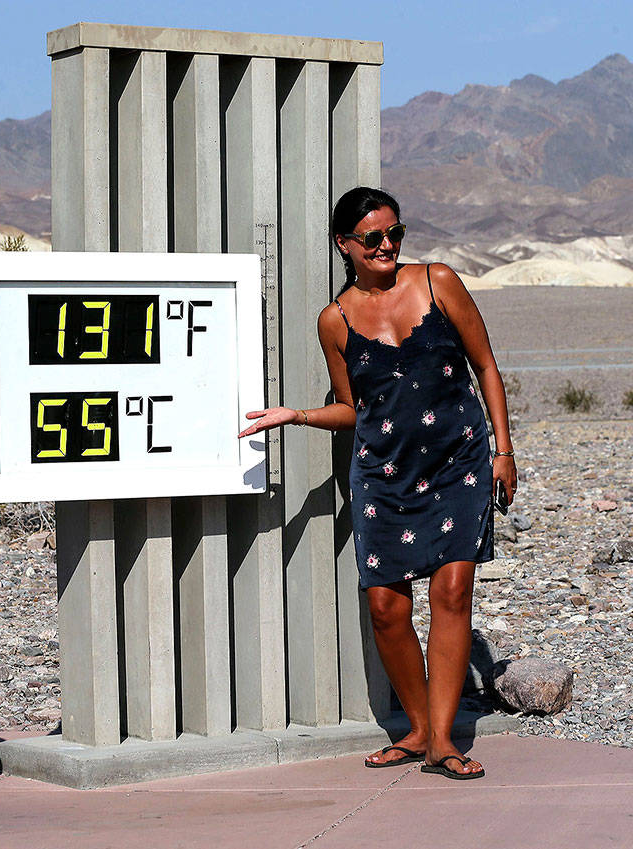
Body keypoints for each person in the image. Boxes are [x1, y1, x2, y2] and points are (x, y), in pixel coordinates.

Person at [239, 187, 517, 780]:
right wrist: (296, 416)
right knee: (387, 607)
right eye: (373, 238)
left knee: (452, 590)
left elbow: (485, 365)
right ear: (345, 245)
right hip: (382, 475)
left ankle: (443, 741)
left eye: (395, 233)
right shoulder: (334, 321)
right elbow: (351, 407)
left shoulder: (438, 282)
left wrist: (504, 451)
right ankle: (417, 727)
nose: (387, 245)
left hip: (458, 462)